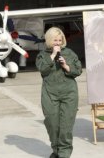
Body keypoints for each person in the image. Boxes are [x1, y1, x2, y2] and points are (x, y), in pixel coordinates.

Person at [36, 27, 82, 158]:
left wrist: (66, 66)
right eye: (55, 40)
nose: (57, 43)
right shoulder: (42, 55)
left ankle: (64, 153)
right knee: (52, 123)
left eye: (60, 40)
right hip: (50, 93)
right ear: (49, 40)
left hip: (69, 93)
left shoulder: (70, 53)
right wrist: (52, 56)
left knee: (66, 125)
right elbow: (43, 70)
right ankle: (56, 150)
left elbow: (78, 70)